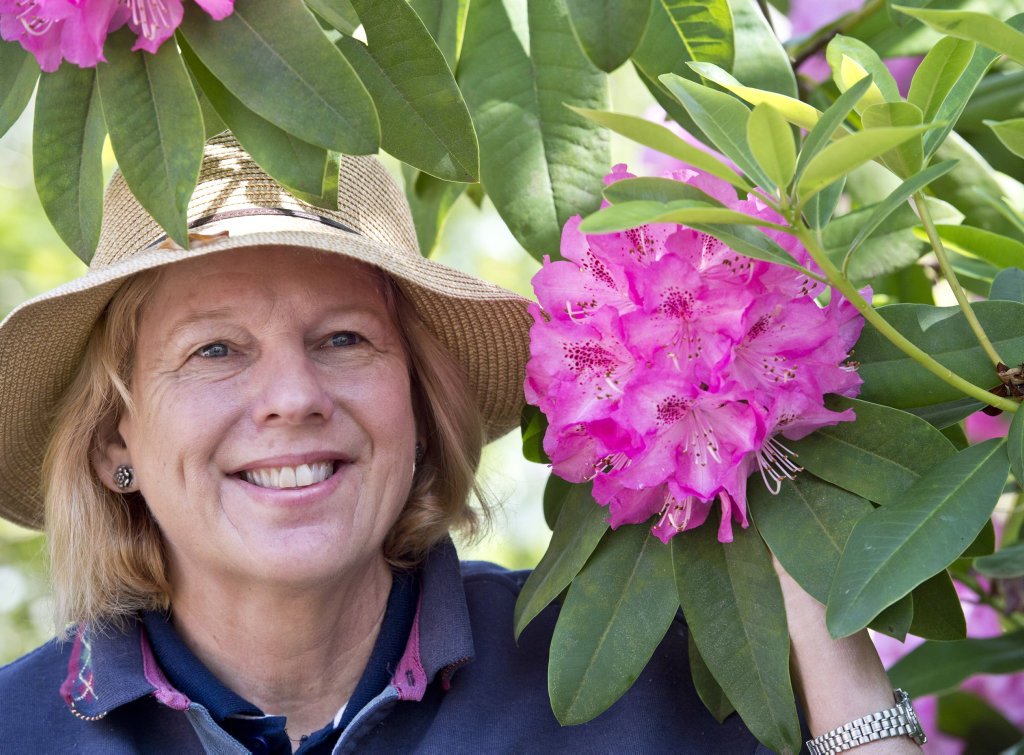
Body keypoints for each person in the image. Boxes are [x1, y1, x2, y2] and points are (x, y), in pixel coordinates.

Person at [0, 133, 922, 753]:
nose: (293, 398)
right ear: (111, 442)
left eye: (344, 339)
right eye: (213, 350)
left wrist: (810, 602)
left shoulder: (643, 682)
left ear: (417, 401)